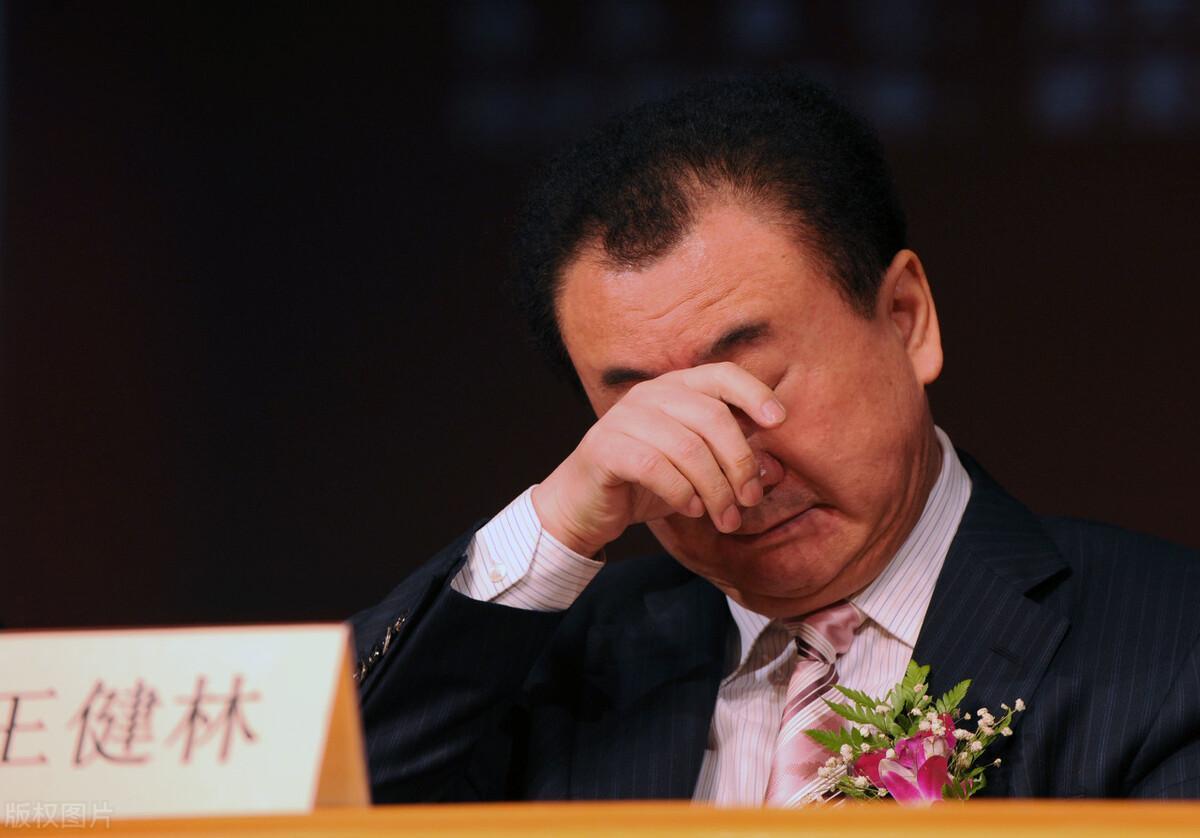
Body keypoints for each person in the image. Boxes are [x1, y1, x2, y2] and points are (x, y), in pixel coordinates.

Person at [349, 74, 1200, 804]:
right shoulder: (540, 664)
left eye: (755, 385)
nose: (728, 465)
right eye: (651, 411)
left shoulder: (1169, 649)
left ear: (906, 319)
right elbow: (317, 798)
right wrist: (556, 523)